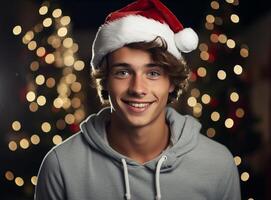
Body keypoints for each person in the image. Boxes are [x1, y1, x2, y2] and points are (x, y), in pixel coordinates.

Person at [34, 0, 241, 199]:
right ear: (105, 81)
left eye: (153, 73)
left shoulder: (218, 164)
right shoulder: (60, 166)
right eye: (123, 72)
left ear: (171, 82)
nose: (138, 89)